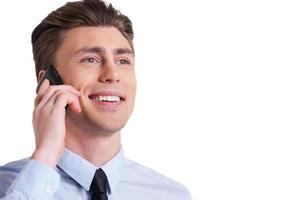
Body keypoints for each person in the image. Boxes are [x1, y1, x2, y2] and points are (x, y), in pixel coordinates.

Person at [0, 0, 192, 199]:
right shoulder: (7, 187)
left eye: (122, 61)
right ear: (47, 82)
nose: (112, 74)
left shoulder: (172, 194)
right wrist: (46, 154)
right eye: (90, 59)